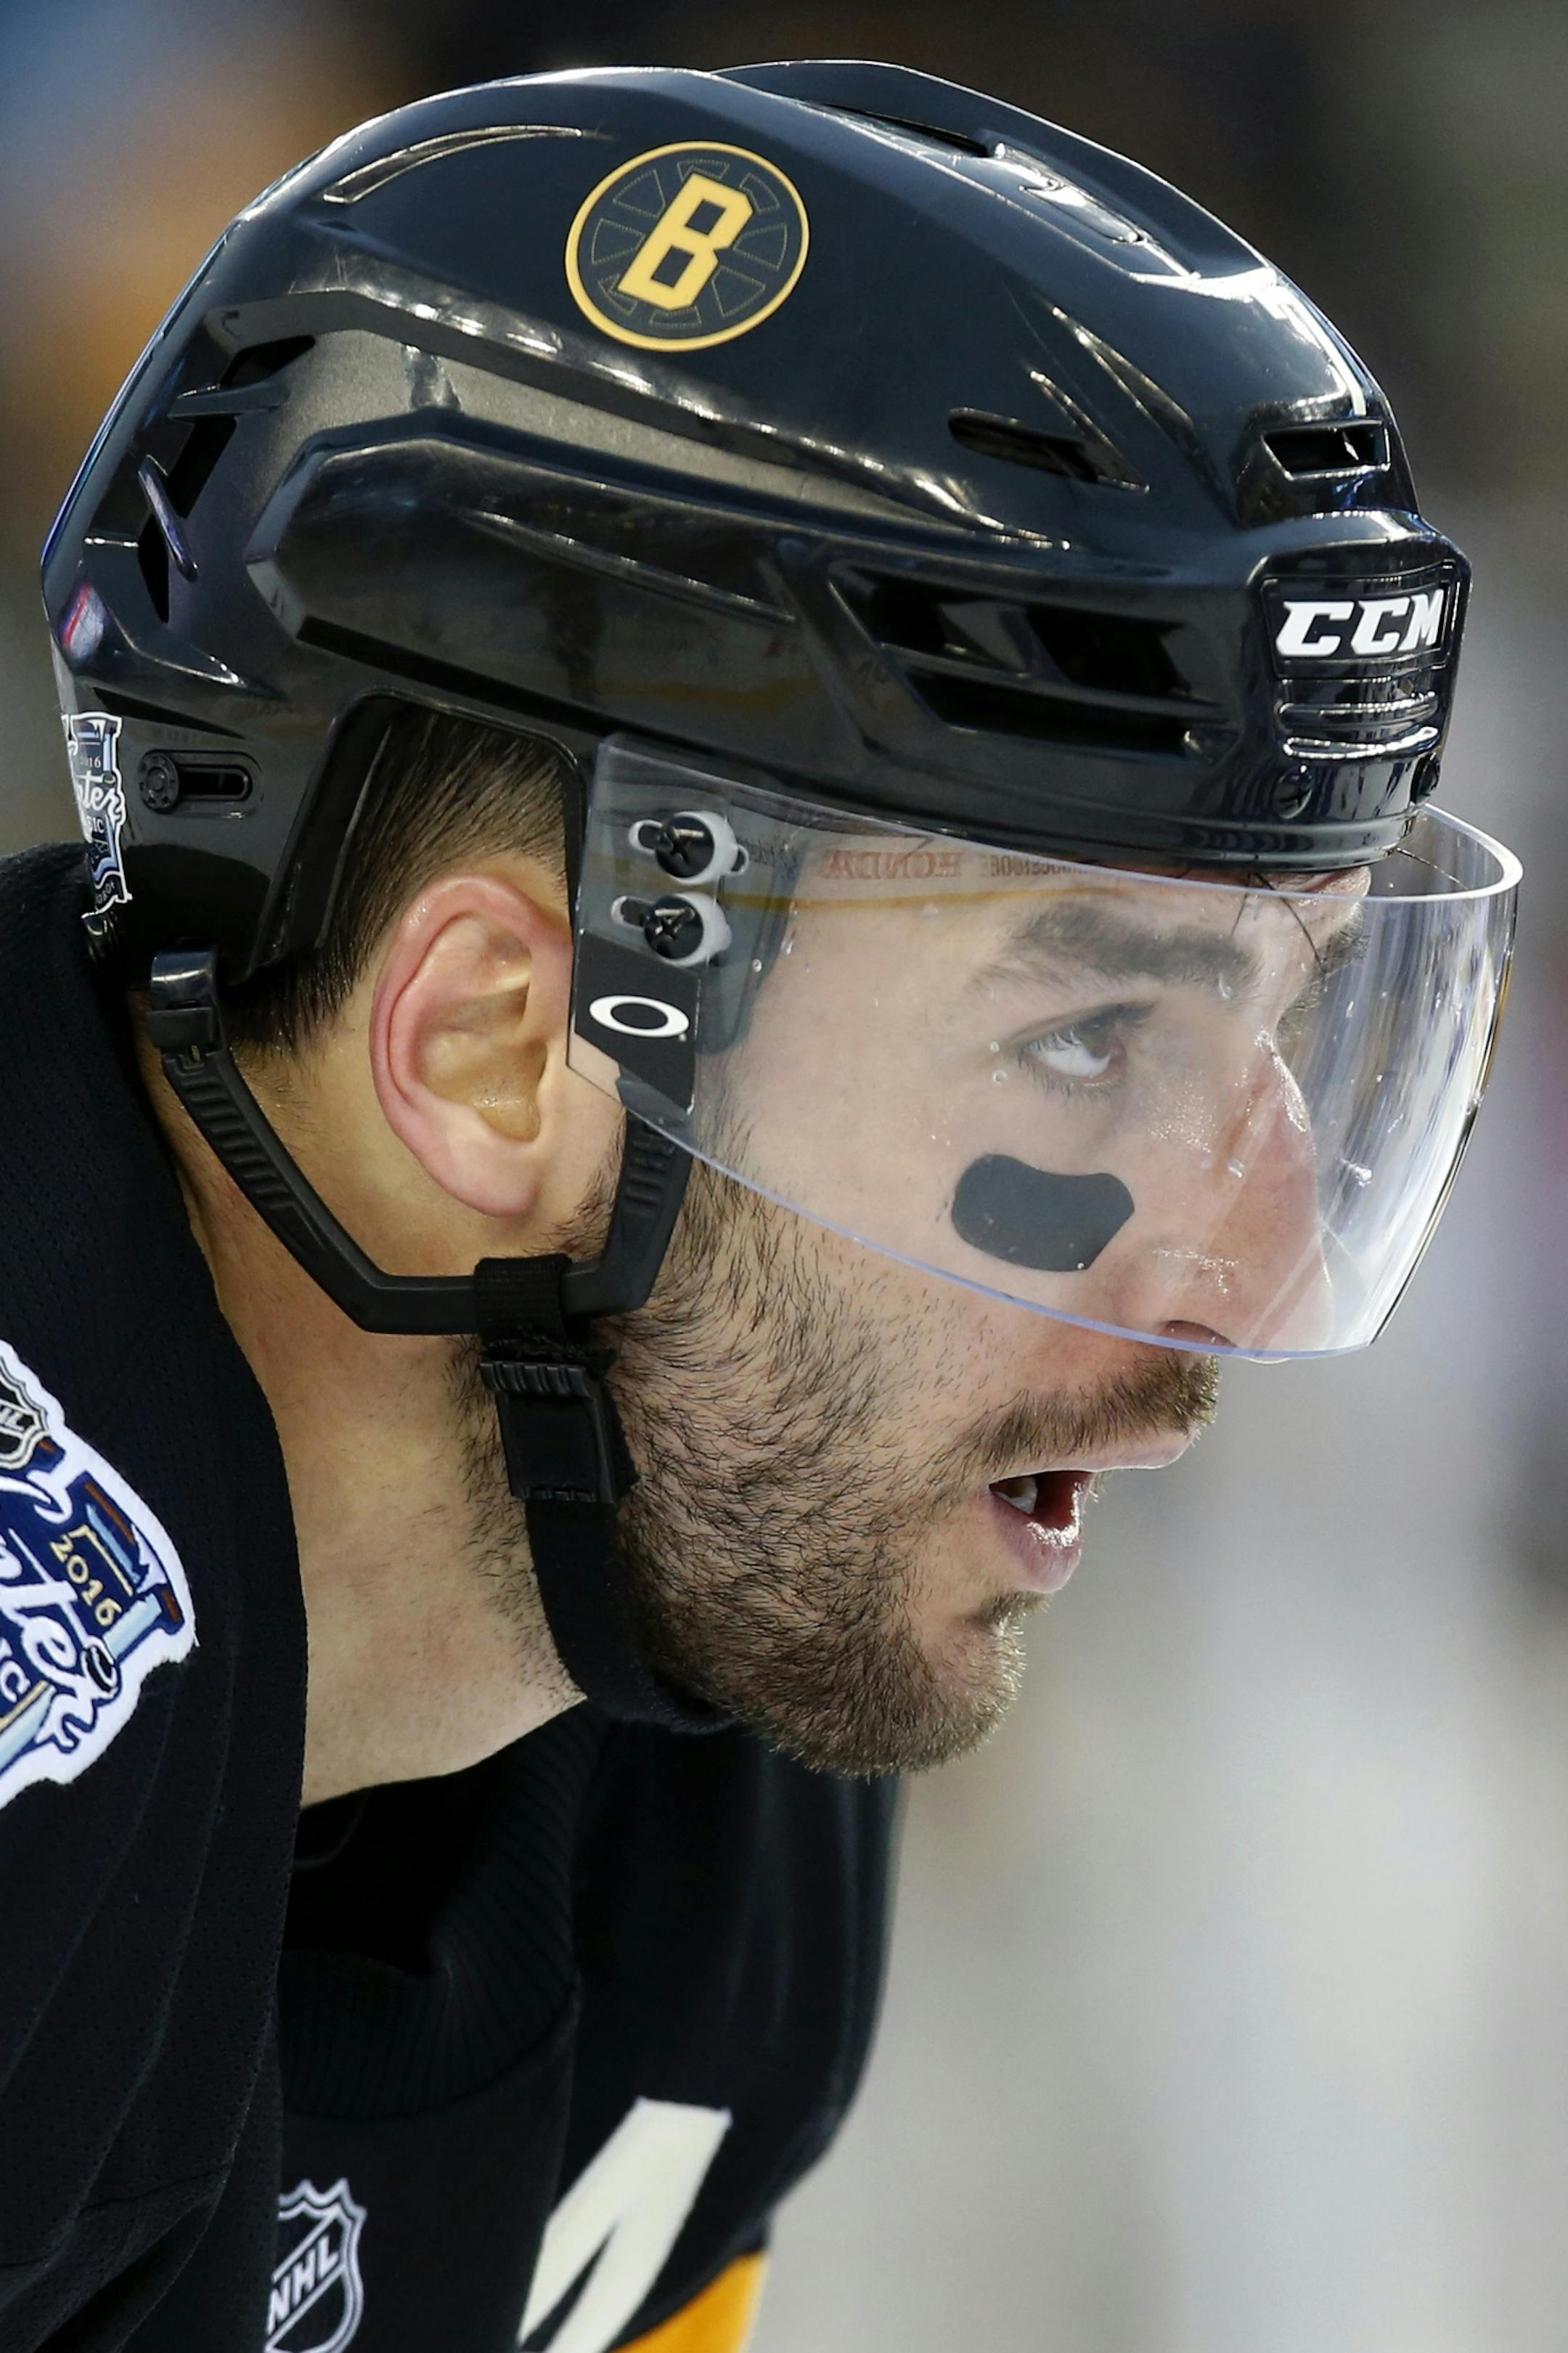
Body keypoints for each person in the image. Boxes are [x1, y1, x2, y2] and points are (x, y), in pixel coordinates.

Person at [5, 54, 1516, 2353]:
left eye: (1288, 1022)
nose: (1258, 1269)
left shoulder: (713, 1699)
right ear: (501, 1053)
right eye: (1091, 1033)